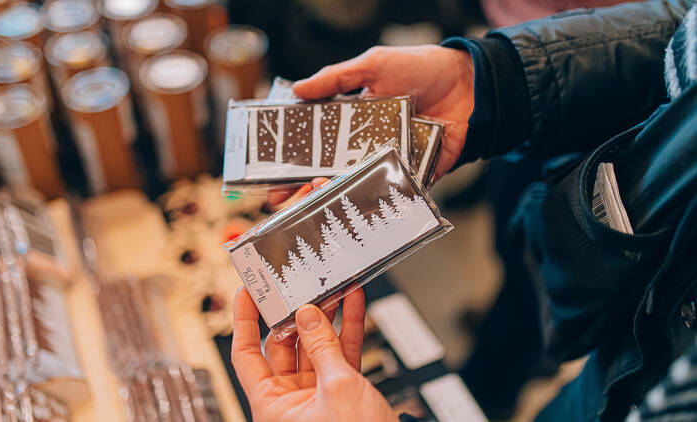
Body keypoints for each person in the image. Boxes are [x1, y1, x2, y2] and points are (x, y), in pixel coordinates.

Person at [231, 0, 697, 421]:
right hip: (628, 336)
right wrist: (489, 78)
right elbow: (684, 27)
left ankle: (503, 372)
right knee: (516, 258)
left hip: (629, 321)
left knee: (520, 302)